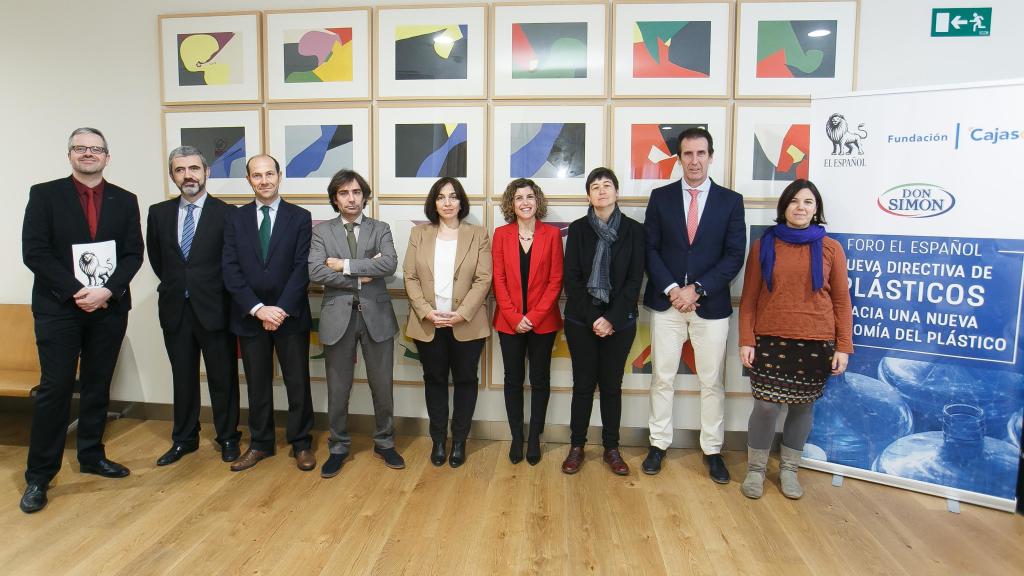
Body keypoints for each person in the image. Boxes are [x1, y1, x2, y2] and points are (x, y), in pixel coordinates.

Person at [19, 127, 144, 513]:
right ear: (69, 155)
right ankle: (39, 476)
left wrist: (105, 291)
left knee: (97, 385)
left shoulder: (125, 200)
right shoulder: (45, 195)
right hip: (59, 309)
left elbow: (133, 254)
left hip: (108, 308)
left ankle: (91, 455)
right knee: (55, 389)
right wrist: (78, 291)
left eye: (95, 149)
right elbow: (35, 253)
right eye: (80, 148)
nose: (87, 154)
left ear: (107, 157)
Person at [642, 127, 746, 483]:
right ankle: (658, 444)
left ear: (711, 156)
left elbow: (734, 256)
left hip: (710, 306)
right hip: (667, 304)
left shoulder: (730, 201)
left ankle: (713, 450)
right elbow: (650, 249)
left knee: (712, 382)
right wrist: (673, 288)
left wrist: (697, 289)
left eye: (701, 153)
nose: (694, 160)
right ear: (680, 158)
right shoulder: (661, 197)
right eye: (688, 154)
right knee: (662, 378)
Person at [738, 179, 852, 500]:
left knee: (802, 408)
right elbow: (749, 297)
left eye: (808, 202)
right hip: (770, 339)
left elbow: (842, 301)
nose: (801, 207)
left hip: (816, 341)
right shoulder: (765, 244)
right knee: (765, 407)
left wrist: (844, 346)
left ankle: (789, 469)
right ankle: (756, 470)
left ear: (816, 210)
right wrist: (746, 338)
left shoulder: (831, 248)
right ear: (784, 206)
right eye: (794, 202)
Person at [146, 146, 241, 467]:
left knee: (222, 378)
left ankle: (228, 437)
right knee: (182, 378)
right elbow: (160, 262)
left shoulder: (228, 213)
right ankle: (184, 439)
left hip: (215, 309)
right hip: (176, 310)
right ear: (172, 175)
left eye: (194, 169)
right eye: (180, 170)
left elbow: (232, 263)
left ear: (206, 172)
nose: (188, 175)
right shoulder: (158, 213)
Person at [308, 170, 404, 477]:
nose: (351, 198)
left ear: (365, 196)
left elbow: (388, 264)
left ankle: (385, 442)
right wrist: (362, 276)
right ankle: (338, 447)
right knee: (338, 388)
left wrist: (344, 265)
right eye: (344, 193)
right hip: (338, 318)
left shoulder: (381, 228)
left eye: (357, 192)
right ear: (335, 198)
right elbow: (315, 272)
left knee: (382, 386)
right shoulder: (322, 232)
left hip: (377, 318)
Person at [222, 155, 315, 473]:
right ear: (249, 179)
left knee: (297, 382)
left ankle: (301, 443)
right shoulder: (235, 219)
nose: (264, 180)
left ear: (280, 176)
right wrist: (259, 309)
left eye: (269, 174)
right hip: (250, 315)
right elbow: (230, 269)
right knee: (257, 383)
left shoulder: (300, 217)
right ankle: (260, 443)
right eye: (257, 175)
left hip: (290, 316)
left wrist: (280, 310)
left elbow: (302, 267)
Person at [560, 168, 645, 476]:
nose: (601, 191)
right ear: (588, 196)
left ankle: (612, 448)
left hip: (620, 323)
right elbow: (572, 279)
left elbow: (635, 281)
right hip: (582, 321)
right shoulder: (578, 229)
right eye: (594, 187)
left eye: (607, 185)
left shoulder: (634, 231)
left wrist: (611, 319)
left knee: (611, 387)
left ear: (617, 192)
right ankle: (576, 447)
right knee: (582, 386)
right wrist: (595, 317)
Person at [404, 177, 491, 468]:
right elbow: (410, 277)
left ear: (461, 202)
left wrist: (461, 313)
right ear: (434, 203)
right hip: (428, 323)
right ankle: (439, 440)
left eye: (453, 196)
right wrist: (426, 311)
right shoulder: (419, 234)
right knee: (435, 381)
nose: (448, 202)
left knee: (466, 381)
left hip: (466, 323)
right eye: (441, 197)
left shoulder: (478, 234)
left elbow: (483, 279)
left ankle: (460, 441)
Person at [492, 178, 563, 465]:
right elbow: (499, 280)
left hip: (542, 323)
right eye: (518, 197)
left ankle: (534, 437)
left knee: (540, 380)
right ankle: (517, 438)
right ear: (511, 203)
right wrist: (513, 317)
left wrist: (532, 317)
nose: (525, 202)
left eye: (530, 197)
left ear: (538, 201)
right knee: (512, 380)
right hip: (509, 323)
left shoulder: (552, 235)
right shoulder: (501, 234)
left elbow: (556, 280)